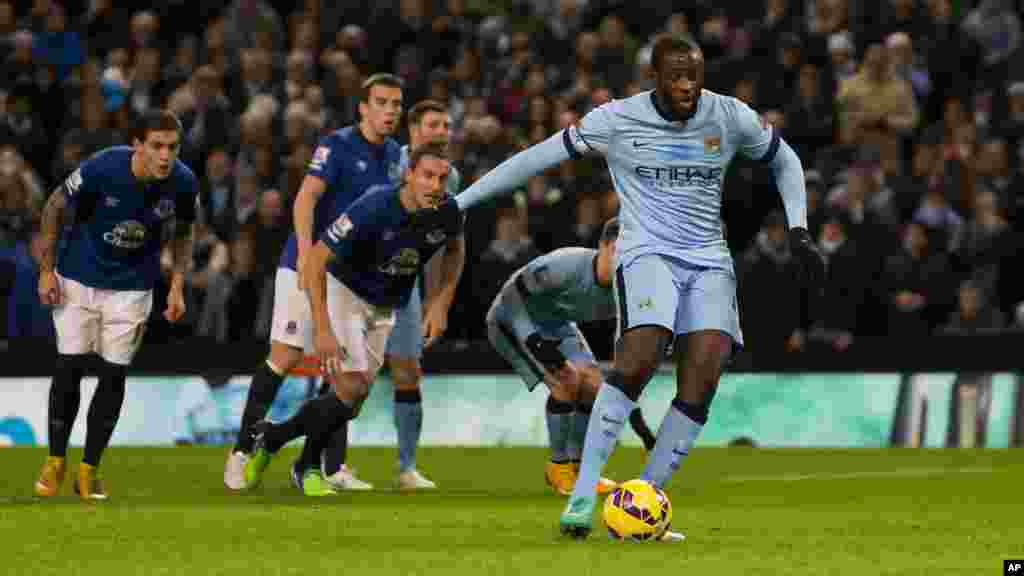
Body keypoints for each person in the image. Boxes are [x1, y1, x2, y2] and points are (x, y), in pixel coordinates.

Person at [416, 34, 823, 537]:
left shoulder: (729, 114)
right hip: (646, 252)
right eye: (676, 76)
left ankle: (641, 503)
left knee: (706, 373)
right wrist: (462, 202)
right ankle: (583, 495)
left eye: (694, 74)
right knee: (640, 357)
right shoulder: (617, 118)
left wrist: (800, 228)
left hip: (708, 259)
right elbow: (534, 159)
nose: (687, 85)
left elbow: (784, 159)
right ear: (654, 77)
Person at [243, 142, 462, 496]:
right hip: (344, 292)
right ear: (408, 176)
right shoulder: (375, 205)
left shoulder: (449, 212)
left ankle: (273, 437)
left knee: (351, 402)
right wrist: (323, 328)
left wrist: (440, 304)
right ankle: (307, 466)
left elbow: (455, 252)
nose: (435, 186)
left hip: (385, 305)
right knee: (351, 386)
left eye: (442, 178)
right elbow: (315, 259)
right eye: (427, 176)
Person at [224, 73, 403, 492]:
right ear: (363, 108)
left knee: (342, 370)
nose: (390, 111)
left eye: (396, 104)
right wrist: (306, 252)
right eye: (382, 102)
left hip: (350, 277)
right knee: (285, 355)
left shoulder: (396, 156)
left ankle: (326, 465)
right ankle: (242, 450)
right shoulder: (337, 146)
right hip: (306, 264)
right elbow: (306, 198)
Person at [34, 109, 198, 499]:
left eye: (172, 148)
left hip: (132, 288)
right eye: (156, 146)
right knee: (70, 367)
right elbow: (54, 206)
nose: (165, 156)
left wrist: (177, 286)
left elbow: (185, 233)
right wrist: (46, 270)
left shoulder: (183, 182)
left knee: (114, 375)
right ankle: (56, 460)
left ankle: (89, 470)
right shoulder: (102, 167)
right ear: (137, 145)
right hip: (78, 279)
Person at [486, 217, 657, 497]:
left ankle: (581, 471)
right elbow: (512, 294)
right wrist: (533, 340)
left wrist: (642, 427)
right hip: (511, 320)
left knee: (593, 388)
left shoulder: (631, 294)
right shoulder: (563, 266)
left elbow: (627, 364)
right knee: (567, 379)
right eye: (619, 249)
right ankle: (558, 467)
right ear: (603, 245)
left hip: (558, 324)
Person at [380, 99, 465, 490]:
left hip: (405, 284)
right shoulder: (384, 160)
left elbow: (445, 247)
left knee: (409, 372)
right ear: (413, 129)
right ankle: (331, 463)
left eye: (447, 126)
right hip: (360, 279)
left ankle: (406, 467)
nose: (443, 133)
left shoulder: (454, 179)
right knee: (348, 377)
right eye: (434, 125)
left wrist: (436, 303)